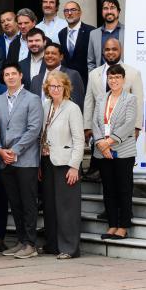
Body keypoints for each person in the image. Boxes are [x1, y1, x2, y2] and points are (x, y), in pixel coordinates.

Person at [0, 63, 43, 259]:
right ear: (3, 78)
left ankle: (31, 243)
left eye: (14, 74)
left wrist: (15, 150)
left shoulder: (32, 99)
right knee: (15, 203)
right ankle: (21, 241)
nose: (11, 77)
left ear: (21, 76)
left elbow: (34, 129)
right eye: (7, 74)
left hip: (25, 160)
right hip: (5, 160)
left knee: (28, 203)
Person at [40, 71, 84, 259]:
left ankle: (69, 248)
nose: (55, 89)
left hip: (66, 163)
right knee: (49, 206)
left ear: (65, 87)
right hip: (47, 161)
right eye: (51, 86)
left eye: (58, 86)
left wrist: (74, 166)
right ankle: (52, 244)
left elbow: (79, 140)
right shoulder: (45, 105)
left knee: (67, 207)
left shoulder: (72, 108)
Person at [93, 64, 137, 241]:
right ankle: (112, 225)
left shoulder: (130, 99)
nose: (114, 80)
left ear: (123, 80)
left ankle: (123, 226)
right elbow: (95, 123)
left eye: (117, 77)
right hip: (103, 153)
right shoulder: (101, 98)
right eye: (111, 78)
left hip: (123, 151)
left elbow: (129, 124)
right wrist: (101, 145)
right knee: (108, 190)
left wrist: (108, 143)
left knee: (124, 189)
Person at [86, 0, 124, 73]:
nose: (109, 11)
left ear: (118, 11)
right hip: (101, 80)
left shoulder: (128, 32)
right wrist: (94, 78)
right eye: (105, 8)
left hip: (123, 79)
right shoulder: (94, 34)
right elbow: (91, 62)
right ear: (102, 12)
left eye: (112, 8)